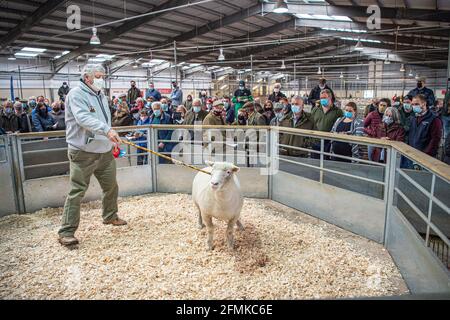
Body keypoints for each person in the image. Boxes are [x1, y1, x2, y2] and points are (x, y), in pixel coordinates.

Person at [58, 64, 126, 246]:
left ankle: (110, 216)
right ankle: (66, 231)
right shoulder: (76, 94)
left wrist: (110, 141)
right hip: (83, 152)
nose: (101, 79)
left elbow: (104, 119)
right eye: (98, 76)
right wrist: (107, 130)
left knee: (111, 186)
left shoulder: (100, 95)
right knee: (77, 191)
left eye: (102, 76)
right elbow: (83, 118)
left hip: (104, 151)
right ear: (87, 77)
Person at [407, 94, 442, 160]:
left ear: (424, 104)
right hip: (411, 155)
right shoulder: (413, 118)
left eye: (416, 104)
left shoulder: (434, 119)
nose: (414, 106)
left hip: (425, 157)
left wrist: (426, 155)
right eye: (413, 104)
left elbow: (435, 139)